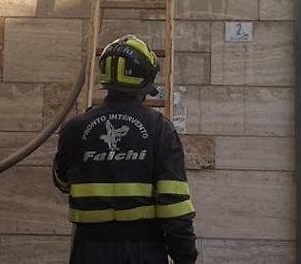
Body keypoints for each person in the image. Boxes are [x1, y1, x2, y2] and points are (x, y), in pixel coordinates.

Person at [53, 35, 198, 264]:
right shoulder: (159, 129)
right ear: (144, 83)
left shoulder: (74, 128)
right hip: (143, 252)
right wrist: (186, 257)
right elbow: (174, 204)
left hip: (88, 251)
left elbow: (62, 182)